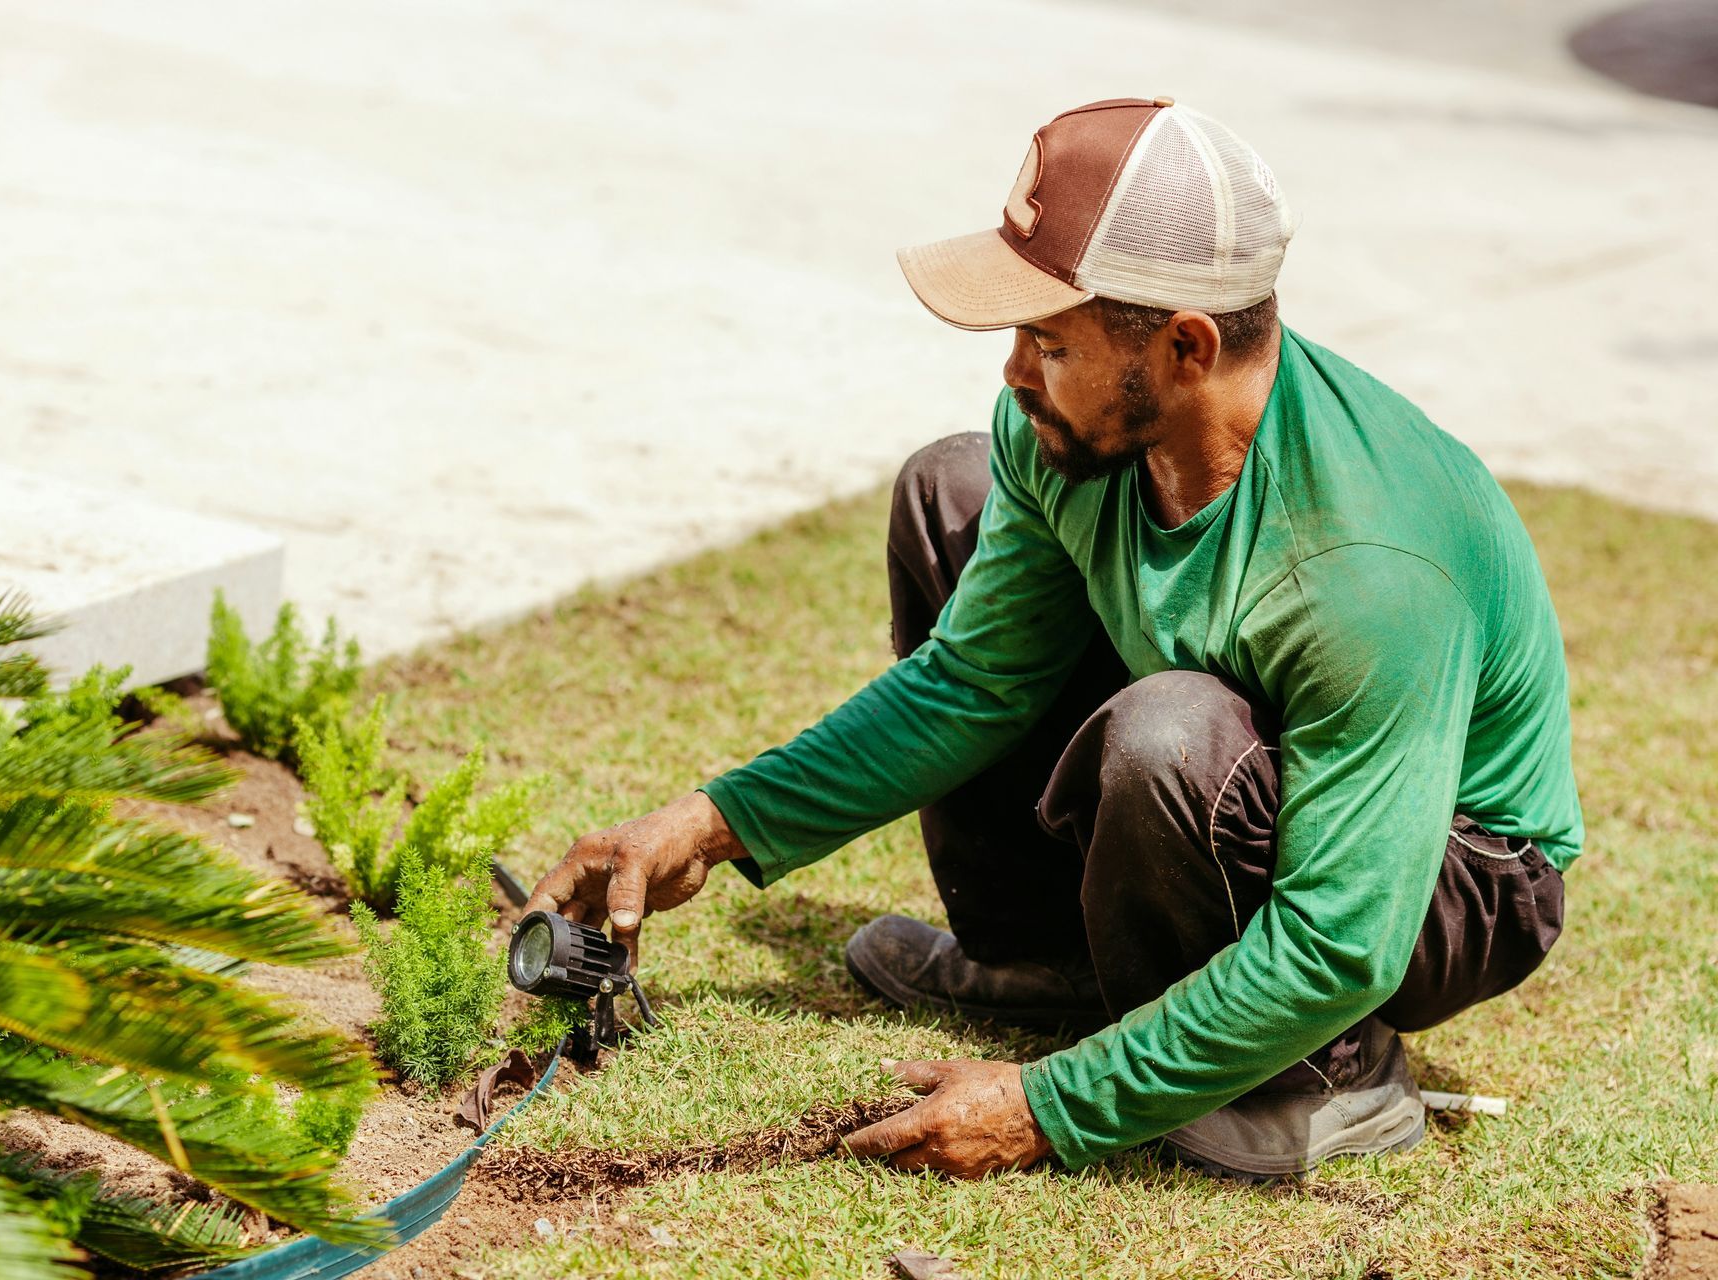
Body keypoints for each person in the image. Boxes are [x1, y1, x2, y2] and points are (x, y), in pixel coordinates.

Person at [524, 98, 1580, 1180]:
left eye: (1048, 338)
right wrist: (714, 822)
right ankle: (1048, 961)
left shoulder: (1368, 566)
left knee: (1172, 732)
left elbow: (1342, 936)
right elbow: (972, 681)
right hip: (1257, 781)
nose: (1014, 371)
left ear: (1184, 345)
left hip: (1453, 876)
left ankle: (1327, 1075)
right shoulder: (1077, 436)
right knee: (953, 491)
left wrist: (1048, 1106)